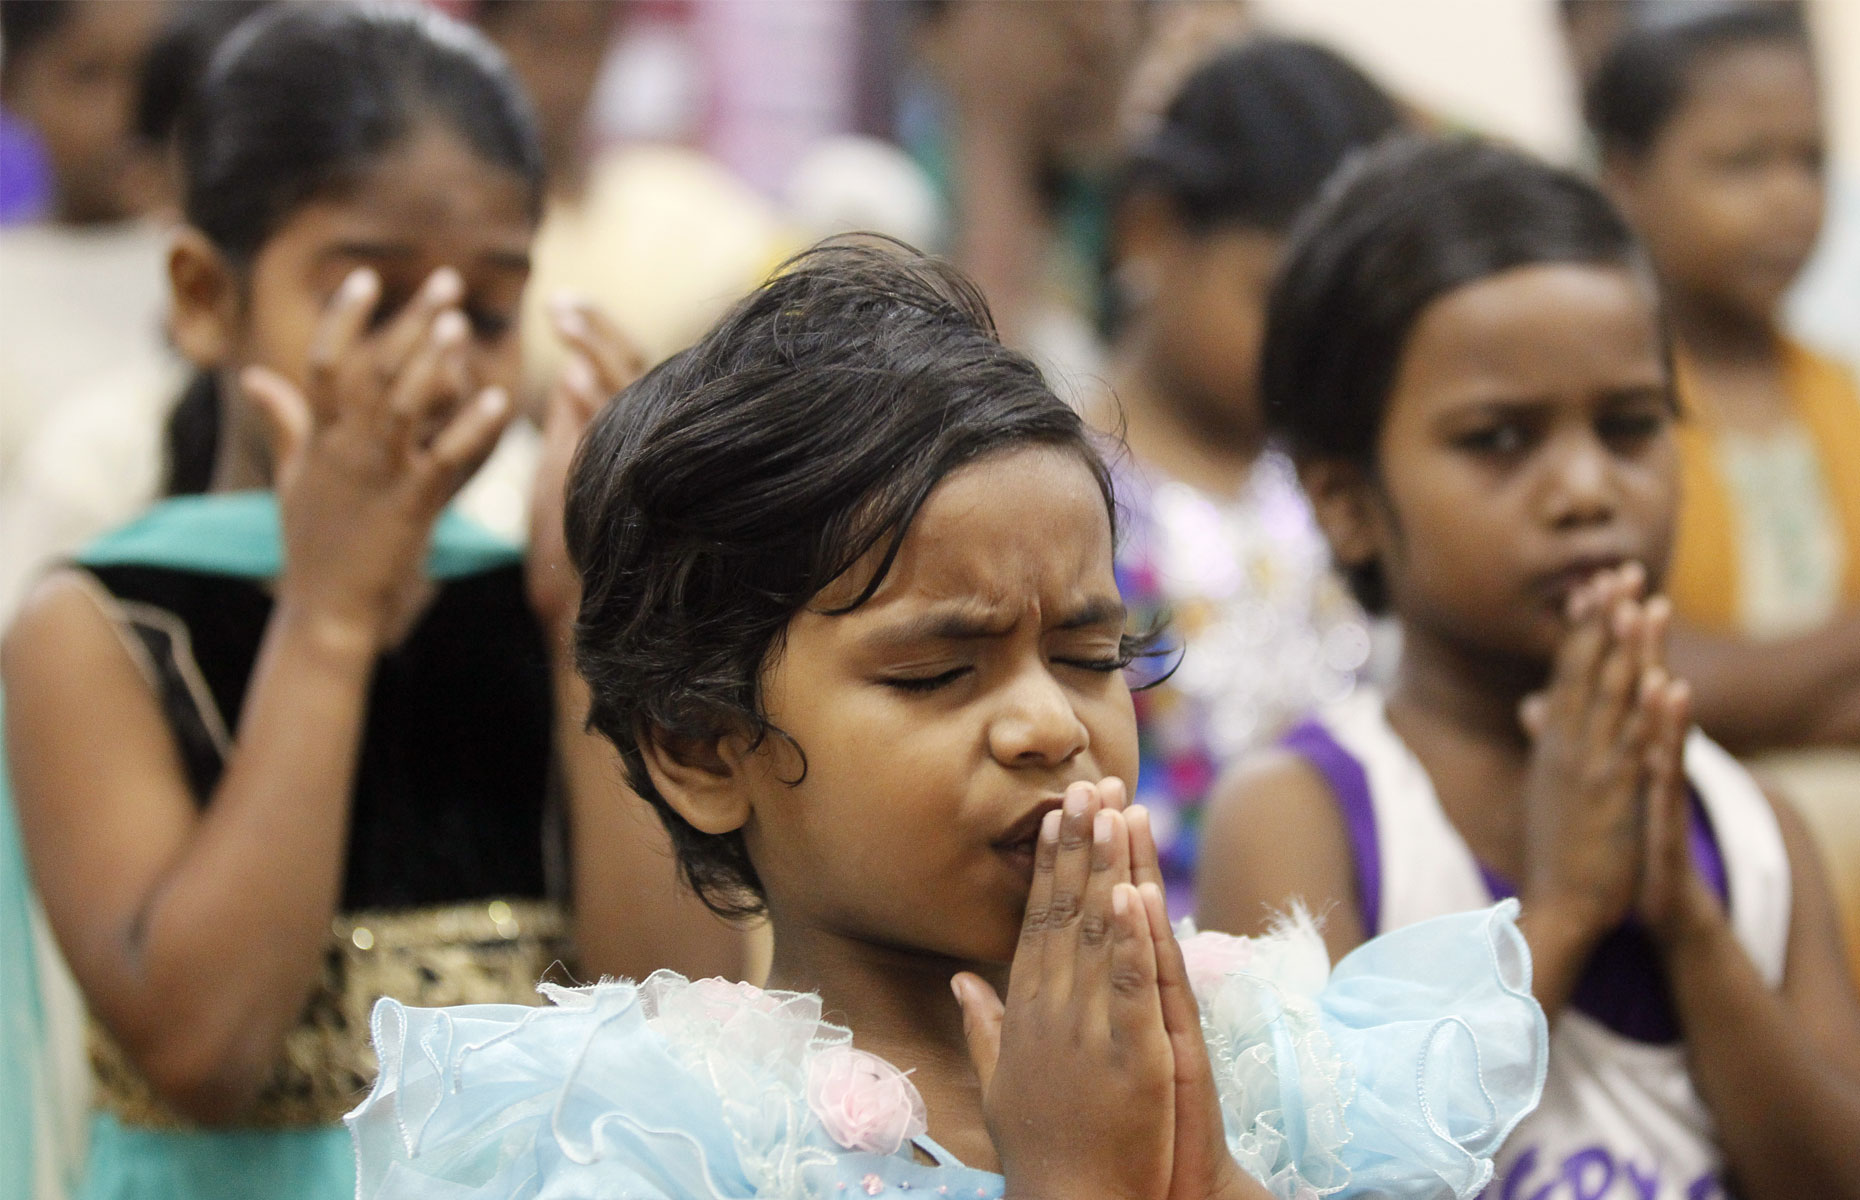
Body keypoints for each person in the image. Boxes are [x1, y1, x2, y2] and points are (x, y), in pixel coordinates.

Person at [347, 239, 1549, 1200]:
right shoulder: (656, 1138)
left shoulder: (1269, 1062)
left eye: (1089, 654)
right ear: (706, 747)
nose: (1048, 726)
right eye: (935, 674)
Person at [0, 8, 748, 1200]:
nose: (437, 359)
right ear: (204, 295)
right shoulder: (97, 630)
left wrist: (588, 628)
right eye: (370, 298)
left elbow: (682, 1026)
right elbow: (203, 1047)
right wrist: (332, 618)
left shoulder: (532, 601)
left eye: (490, 312)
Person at [1196, 137, 1860, 1197]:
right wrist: (1558, 911)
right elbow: (1324, 1184)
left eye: (1633, 425)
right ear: (1345, 501)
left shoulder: (1750, 838)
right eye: (1501, 439)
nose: (1587, 488)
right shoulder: (1307, 816)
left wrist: (1688, 926)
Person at [1095, 39, 1401, 911]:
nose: (1317, 347)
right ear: (1151, 231)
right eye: (1277, 297)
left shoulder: (1351, 488)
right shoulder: (1059, 487)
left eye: (1348, 315)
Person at [1585, 5, 1860, 971]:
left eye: (1811, 160)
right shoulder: (1607, 413)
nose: (1790, 199)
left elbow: (1712, 680)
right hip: (1703, 907)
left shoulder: (1842, 396)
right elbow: (1645, 676)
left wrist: (1751, 684)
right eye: (1742, 164)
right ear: (1626, 178)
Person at [0, 0, 170, 487]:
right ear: (11, 87)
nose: (131, 112)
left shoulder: (226, 264)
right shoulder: (10, 281)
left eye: (153, 76)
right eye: (88, 76)